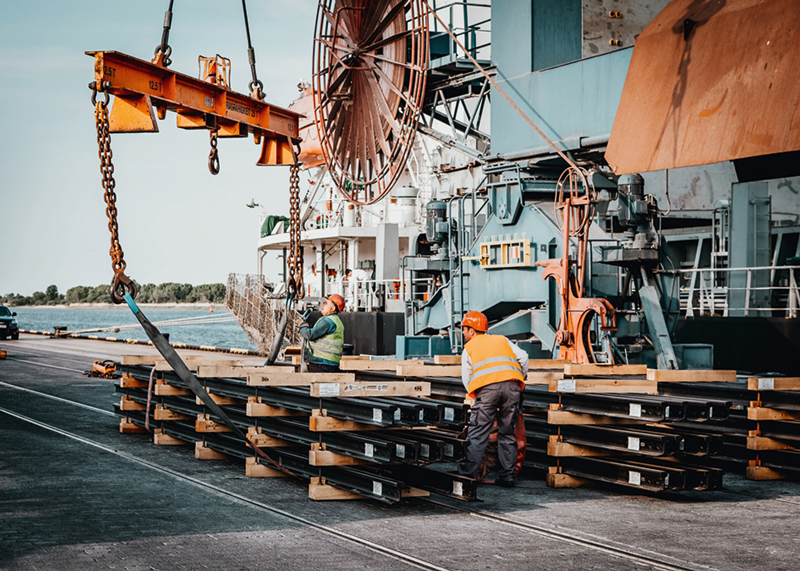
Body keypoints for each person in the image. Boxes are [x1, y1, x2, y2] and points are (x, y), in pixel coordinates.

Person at [457, 311, 528, 487]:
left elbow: (467, 379)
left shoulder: (469, 348)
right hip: (512, 388)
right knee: (507, 433)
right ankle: (508, 477)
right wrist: (520, 377)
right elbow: (524, 357)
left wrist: (476, 396)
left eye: (464, 330)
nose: (464, 334)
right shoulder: (502, 340)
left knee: (478, 434)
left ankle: (467, 476)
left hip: (488, 391)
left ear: (472, 331)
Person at [298, 294, 346, 372]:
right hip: (331, 363)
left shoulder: (327, 321)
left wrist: (301, 327)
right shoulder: (337, 321)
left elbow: (310, 335)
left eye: (326, 303)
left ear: (333, 308)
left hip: (321, 363)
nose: (323, 305)